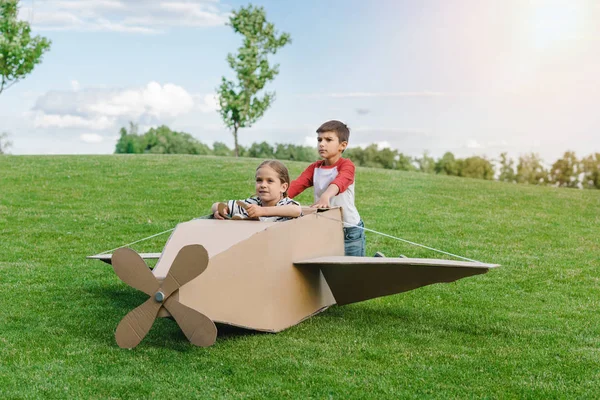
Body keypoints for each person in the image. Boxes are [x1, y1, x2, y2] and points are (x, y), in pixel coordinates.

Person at [288, 120, 365, 256]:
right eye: (319, 140)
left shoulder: (347, 166)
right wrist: (274, 200)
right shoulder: (315, 168)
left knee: (353, 273)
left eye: (328, 140)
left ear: (342, 145)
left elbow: (339, 182)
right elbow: (296, 186)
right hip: (326, 228)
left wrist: (326, 196)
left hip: (349, 231)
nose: (322, 144)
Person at [211, 160, 302, 222]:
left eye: (270, 181)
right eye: (259, 180)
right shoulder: (252, 203)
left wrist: (262, 211)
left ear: (283, 187)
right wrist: (222, 210)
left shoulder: (285, 204)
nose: (263, 185)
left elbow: (296, 210)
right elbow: (215, 205)